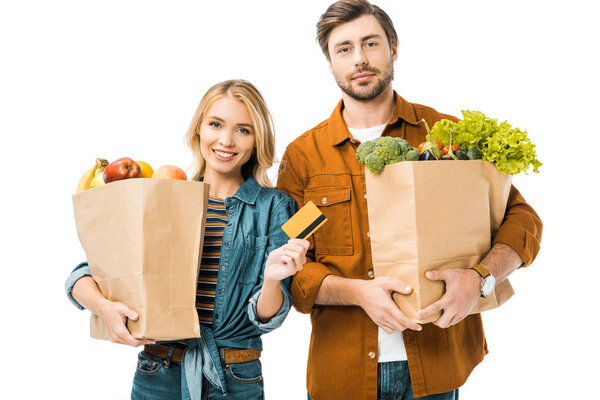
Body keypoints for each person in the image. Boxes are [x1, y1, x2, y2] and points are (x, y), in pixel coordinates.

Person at [276, 1, 543, 399]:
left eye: (371, 43)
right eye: (344, 49)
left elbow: (522, 220)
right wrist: (357, 293)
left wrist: (480, 278)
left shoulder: (446, 135)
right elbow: (291, 266)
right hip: (342, 373)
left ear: (394, 48)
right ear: (330, 62)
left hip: (436, 366)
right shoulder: (305, 156)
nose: (360, 59)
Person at [65, 79, 309, 400]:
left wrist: (272, 279)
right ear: (199, 130)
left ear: (256, 141)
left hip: (235, 378)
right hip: (157, 371)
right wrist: (105, 308)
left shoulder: (276, 207)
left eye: (243, 130)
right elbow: (83, 275)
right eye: (216, 124)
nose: (226, 140)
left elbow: (266, 319)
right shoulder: (164, 194)